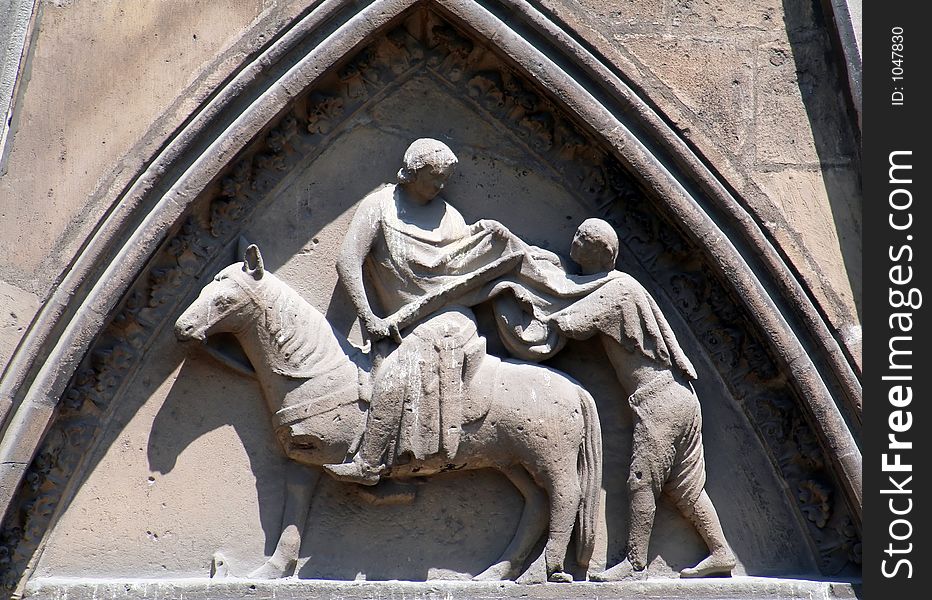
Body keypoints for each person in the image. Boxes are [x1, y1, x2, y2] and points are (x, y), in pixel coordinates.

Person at [323, 138, 525, 485]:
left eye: (445, 178)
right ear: (411, 173)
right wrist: (368, 318)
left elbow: (458, 268)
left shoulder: (450, 217)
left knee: (403, 364)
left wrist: (486, 239)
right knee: (401, 359)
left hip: (449, 317)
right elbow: (348, 261)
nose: (441, 186)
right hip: (400, 322)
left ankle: (370, 463)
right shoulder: (380, 207)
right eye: (434, 177)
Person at [546, 218, 737, 579]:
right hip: (680, 397)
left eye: (583, 237)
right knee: (685, 486)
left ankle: (635, 565)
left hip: (659, 400)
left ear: (600, 251)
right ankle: (722, 551)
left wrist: (530, 300)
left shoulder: (617, 291)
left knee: (641, 479)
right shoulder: (618, 286)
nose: (575, 240)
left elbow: (571, 323)